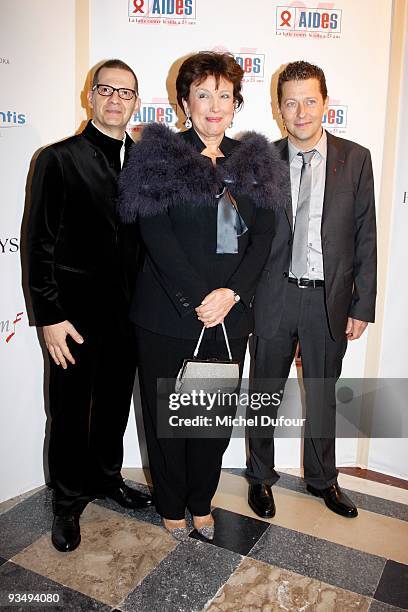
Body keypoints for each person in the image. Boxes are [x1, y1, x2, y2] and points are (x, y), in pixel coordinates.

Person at [119, 51, 288, 540]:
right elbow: (156, 234)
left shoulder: (255, 160)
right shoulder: (160, 156)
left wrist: (231, 294)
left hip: (230, 316)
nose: (215, 105)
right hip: (167, 315)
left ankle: (201, 499)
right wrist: (200, 299)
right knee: (169, 419)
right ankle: (171, 502)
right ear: (185, 102)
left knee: (210, 419)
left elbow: (264, 237)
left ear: (236, 103)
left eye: (225, 95)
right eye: (203, 94)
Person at [27, 59, 152, 553]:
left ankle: (106, 478)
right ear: (91, 96)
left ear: (136, 102)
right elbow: (38, 244)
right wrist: (49, 317)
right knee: (70, 408)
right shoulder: (58, 159)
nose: (116, 99)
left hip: (130, 315)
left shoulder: (146, 164)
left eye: (126, 92)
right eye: (107, 90)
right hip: (73, 317)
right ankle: (66, 499)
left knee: (115, 405)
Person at [246, 61, 377, 520]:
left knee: (323, 393)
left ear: (325, 103)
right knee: (265, 392)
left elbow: (366, 235)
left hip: (328, 300)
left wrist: (363, 303)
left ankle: (324, 479)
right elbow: (239, 231)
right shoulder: (260, 161)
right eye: (290, 102)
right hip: (273, 296)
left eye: (309, 100)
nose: (300, 111)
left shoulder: (356, 158)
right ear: (278, 108)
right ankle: (260, 476)